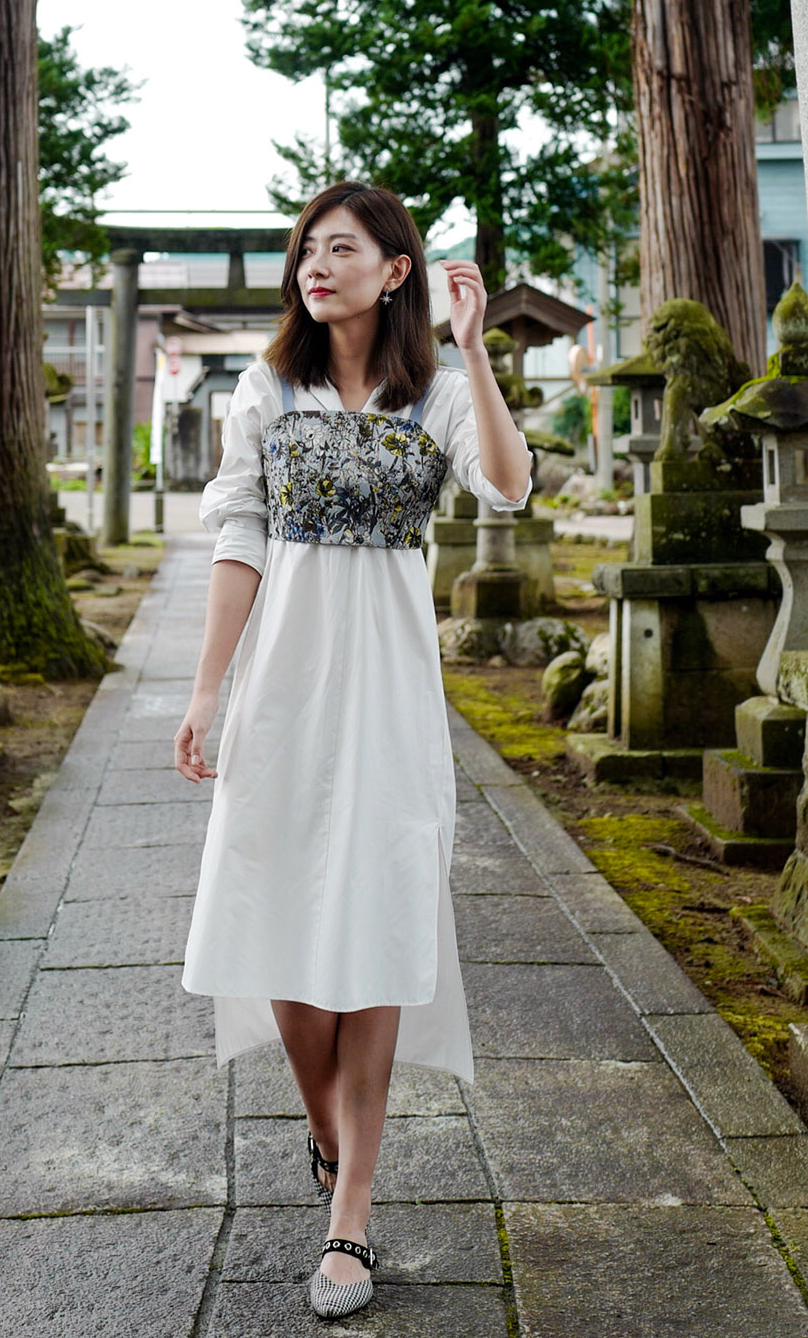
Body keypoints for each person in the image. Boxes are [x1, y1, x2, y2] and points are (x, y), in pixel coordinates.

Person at [175, 182, 533, 1320]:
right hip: (283, 687)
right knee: (276, 919)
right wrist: (208, 688)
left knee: (376, 923)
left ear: (396, 270)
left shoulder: (435, 393)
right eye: (306, 251)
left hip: (389, 694)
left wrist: (474, 350)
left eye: (341, 249)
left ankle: (354, 1208)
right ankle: (328, 1129)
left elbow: (508, 485)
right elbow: (239, 535)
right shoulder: (266, 387)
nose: (316, 267)